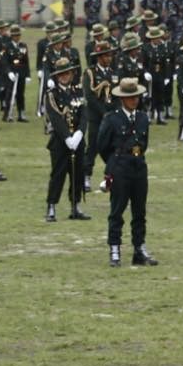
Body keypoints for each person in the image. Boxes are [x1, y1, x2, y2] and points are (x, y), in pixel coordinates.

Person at [96, 75, 156, 266]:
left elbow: (144, 144)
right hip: (120, 168)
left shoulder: (143, 118)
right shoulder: (111, 119)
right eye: (130, 97)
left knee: (139, 212)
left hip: (139, 167)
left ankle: (139, 248)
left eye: (136, 96)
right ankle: (115, 249)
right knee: (117, 211)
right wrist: (115, 162)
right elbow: (102, 145)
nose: (134, 100)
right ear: (122, 99)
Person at [44, 56, 90, 223]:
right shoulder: (52, 94)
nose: (64, 76)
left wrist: (79, 133)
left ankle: (75, 205)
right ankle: (51, 206)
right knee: (58, 174)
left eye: (67, 73)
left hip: (77, 141)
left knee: (78, 173)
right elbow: (55, 118)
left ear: (71, 74)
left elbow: (84, 114)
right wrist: (66, 137)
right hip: (60, 142)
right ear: (57, 76)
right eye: (61, 74)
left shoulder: (78, 91)